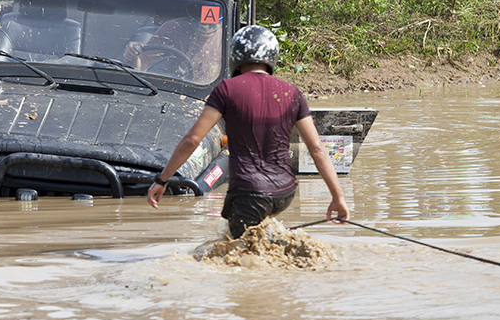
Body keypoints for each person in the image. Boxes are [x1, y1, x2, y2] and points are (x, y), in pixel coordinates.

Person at [146, 25, 350, 239]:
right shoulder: (292, 93)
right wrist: (338, 197)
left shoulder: (227, 89)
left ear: (235, 56)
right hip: (285, 192)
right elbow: (317, 148)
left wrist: (162, 180)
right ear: (272, 57)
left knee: (240, 258)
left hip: (248, 192)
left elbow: (192, 140)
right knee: (257, 242)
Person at [124, 0, 228, 81]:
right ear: (189, 5)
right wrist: (133, 55)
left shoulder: (226, 38)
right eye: (197, 8)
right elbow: (143, 65)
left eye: (212, 10)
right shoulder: (172, 28)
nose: (204, 17)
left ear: (223, 10)